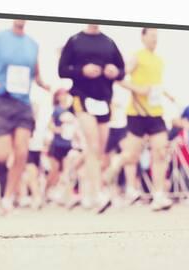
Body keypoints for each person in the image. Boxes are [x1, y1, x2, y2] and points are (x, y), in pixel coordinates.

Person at [0, 20, 50, 214]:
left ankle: (8, 198)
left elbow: (37, 74)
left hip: (23, 103)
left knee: (22, 151)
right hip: (0, 100)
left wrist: (46, 85)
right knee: (2, 153)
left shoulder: (33, 44)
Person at [58, 23, 125, 211]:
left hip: (104, 99)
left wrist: (115, 72)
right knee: (93, 145)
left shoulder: (109, 42)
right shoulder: (75, 41)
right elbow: (62, 69)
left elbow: (122, 70)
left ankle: (84, 191)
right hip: (81, 97)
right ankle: (97, 194)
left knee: (98, 151)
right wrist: (82, 70)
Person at [106, 28, 173, 211]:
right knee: (131, 156)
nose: (155, 40)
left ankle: (158, 195)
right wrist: (138, 89)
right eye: (152, 36)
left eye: (157, 37)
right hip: (137, 113)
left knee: (160, 152)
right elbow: (119, 78)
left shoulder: (159, 60)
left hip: (156, 112)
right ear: (143, 37)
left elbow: (155, 84)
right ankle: (114, 167)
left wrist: (168, 95)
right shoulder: (137, 57)